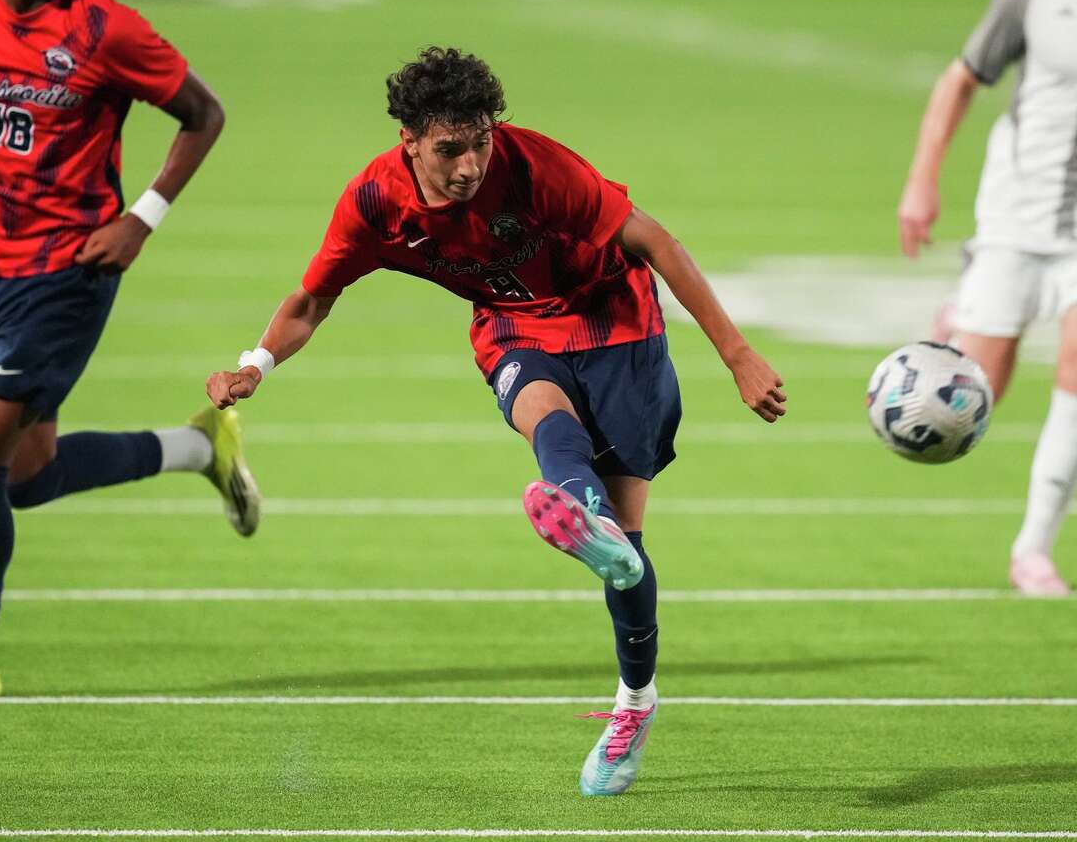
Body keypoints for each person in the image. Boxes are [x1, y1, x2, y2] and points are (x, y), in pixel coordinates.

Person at [206, 45, 786, 796]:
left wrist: (736, 354)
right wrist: (257, 364)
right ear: (409, 140)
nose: (470, 163)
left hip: (616, 323)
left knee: (629, 549)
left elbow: (654, 240)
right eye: (450, 148)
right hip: (515, 326)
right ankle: (579, 511)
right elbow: (313, 299)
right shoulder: (377, 205)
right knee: (541, 414)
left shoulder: (536, 169)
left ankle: (635, 698)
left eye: (480, 141)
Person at [0, 0, 260, 694]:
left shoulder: (108, 30)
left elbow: (204, 113)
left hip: (61, 275)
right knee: (27, 478)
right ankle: (195, 449)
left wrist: (141, 219)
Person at [898, 0, 1077, 599]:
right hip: (1014, 217)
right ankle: (953, 325)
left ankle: (1032, 549)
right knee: (964, 413)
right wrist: (922, 183)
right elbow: (960, 79)